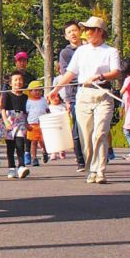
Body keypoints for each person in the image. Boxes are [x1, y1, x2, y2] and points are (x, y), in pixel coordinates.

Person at [50, 16, 121, 184]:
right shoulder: (81, 51)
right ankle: (91, 169)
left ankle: (100, 170)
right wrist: (55, 89)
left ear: (99, 31)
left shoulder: (111, 51)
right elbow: (70, 73)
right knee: (86, 136)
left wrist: (100, 76)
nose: (86, 33)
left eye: (89, 29)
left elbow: (116, 72)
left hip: (103, 95)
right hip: (83, 95)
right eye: (85, 29)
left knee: (100, 134)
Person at [58, 21, 85, 172]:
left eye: (75, 30)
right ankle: (80, 159)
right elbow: (66, 75)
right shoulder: (65, 53)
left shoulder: (88, 49)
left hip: (93, 91)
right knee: (77, 127)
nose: (73, 34)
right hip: (75, 95)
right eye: (69, 32)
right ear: (66, 36)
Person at [0, 70, 30, 180]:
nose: (18, 82)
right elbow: (2, 109)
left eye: (20, 80)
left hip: (21, 122)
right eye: (16, 80)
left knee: (20, 144)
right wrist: (6, 121)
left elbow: (26, 112)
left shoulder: (25, 97)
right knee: (10, 147)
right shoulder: (7, 95)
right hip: (10, 121)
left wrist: (27, 124)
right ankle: (11, 168)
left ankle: (21, 166)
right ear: (10, 83)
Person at [25, 81, 49, 167]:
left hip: (43, 123)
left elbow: (47, 110)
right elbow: (26, 113)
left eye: (39, 90)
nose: (38, 92)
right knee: (33, 142)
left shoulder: (43, 100)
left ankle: (44, 151)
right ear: (30, 91)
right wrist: (26, 124)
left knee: (42, 141)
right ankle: (34, 158)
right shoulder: (28, 101)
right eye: (35, 90)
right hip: (32, 124)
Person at [47, 92, 67, 160]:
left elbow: (65, 114)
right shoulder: (48, 107)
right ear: (49, 99)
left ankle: (62, 150)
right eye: (52, 97)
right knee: (53, 139)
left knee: (61, 138)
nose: (55, 99)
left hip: (61, 125)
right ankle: (53, 153)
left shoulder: (62, 106)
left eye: (56, 97)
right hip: (52, 126)